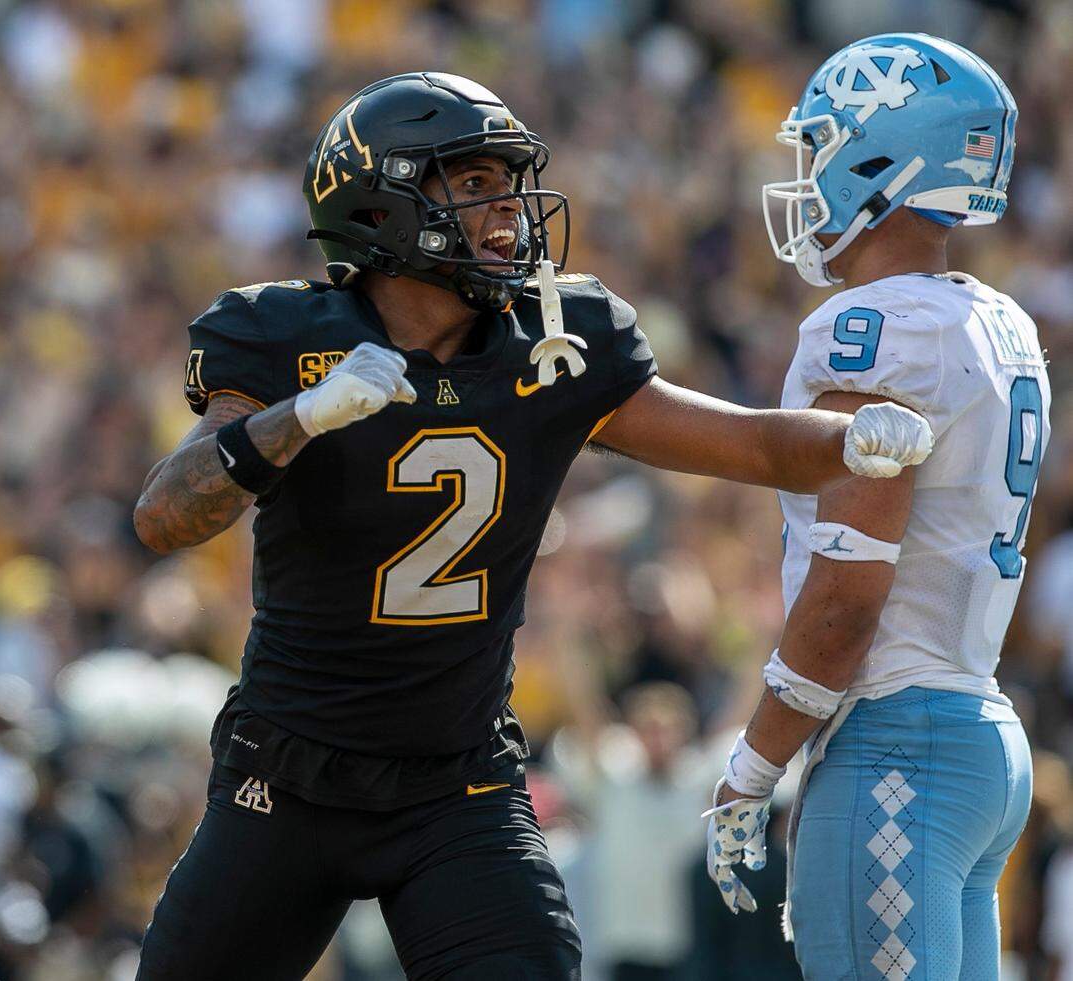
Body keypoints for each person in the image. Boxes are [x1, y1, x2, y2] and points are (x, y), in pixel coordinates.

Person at [131, 72, 930, 980]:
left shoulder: (554, 342)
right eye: (474, 183)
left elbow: (750, 444)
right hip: (286, 776)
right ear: (382, 205)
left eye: (510, 182)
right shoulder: (283, 337)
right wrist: (301, 418)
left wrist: (850, 439)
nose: (509, 206)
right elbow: (164, 515)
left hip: (455, 784)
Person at [703, 34, 1048, 981]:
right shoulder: (998, 319)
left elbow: (848, 598)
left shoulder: (873, 327)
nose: (809, 176)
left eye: (822, 147)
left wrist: (751, 769)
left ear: (881, 161)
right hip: (978, 735)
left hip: (897, 747)